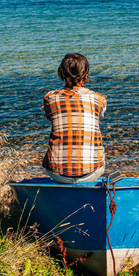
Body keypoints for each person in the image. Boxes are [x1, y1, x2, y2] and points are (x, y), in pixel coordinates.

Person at [42, 53, 107, 184]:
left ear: (62, 75)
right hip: (92, 172)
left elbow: (50, 118)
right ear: (86, 75)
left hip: (57, 173)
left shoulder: (49, 97)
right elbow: (97, 119)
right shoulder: (99, 99)